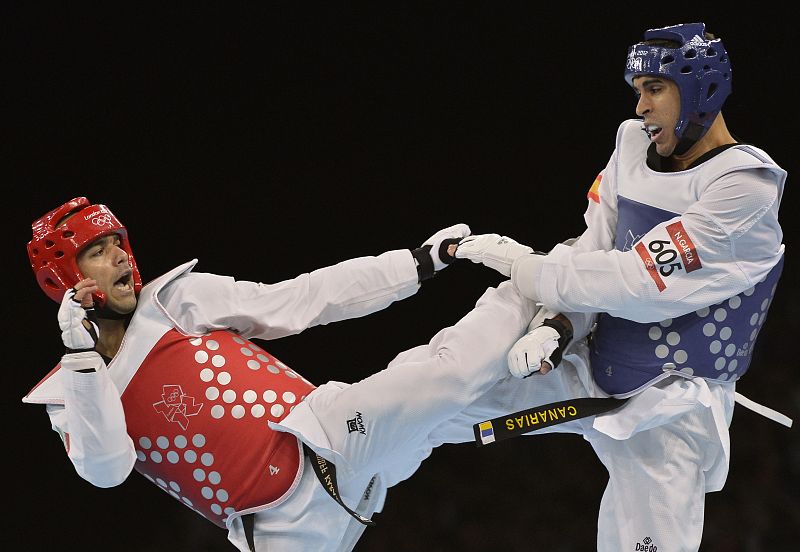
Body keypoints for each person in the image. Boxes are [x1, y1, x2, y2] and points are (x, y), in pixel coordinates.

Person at [22, 196, 540, 551]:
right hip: (281, 534)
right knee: (459, 401)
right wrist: (81, 359)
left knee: (448, 380)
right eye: (98, 252)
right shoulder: (70, 394)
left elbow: (302, 299)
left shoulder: (177, 301)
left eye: (118, 242)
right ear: (64, 280)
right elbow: (107, 470)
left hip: (326, 439)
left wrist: (417, 263)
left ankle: (534, 283)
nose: (120, 257)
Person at [454, 21, 790, 551]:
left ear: (701, 89)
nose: (641, 107)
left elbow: (634, 283)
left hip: (667, 408)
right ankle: (329, 433)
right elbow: (595, 252)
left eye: (655, 88)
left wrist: (525, 264)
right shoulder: (630, 144)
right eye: (638, 90)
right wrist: (556, 326)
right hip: (589, 365)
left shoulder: (744, 187)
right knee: (441, 397)